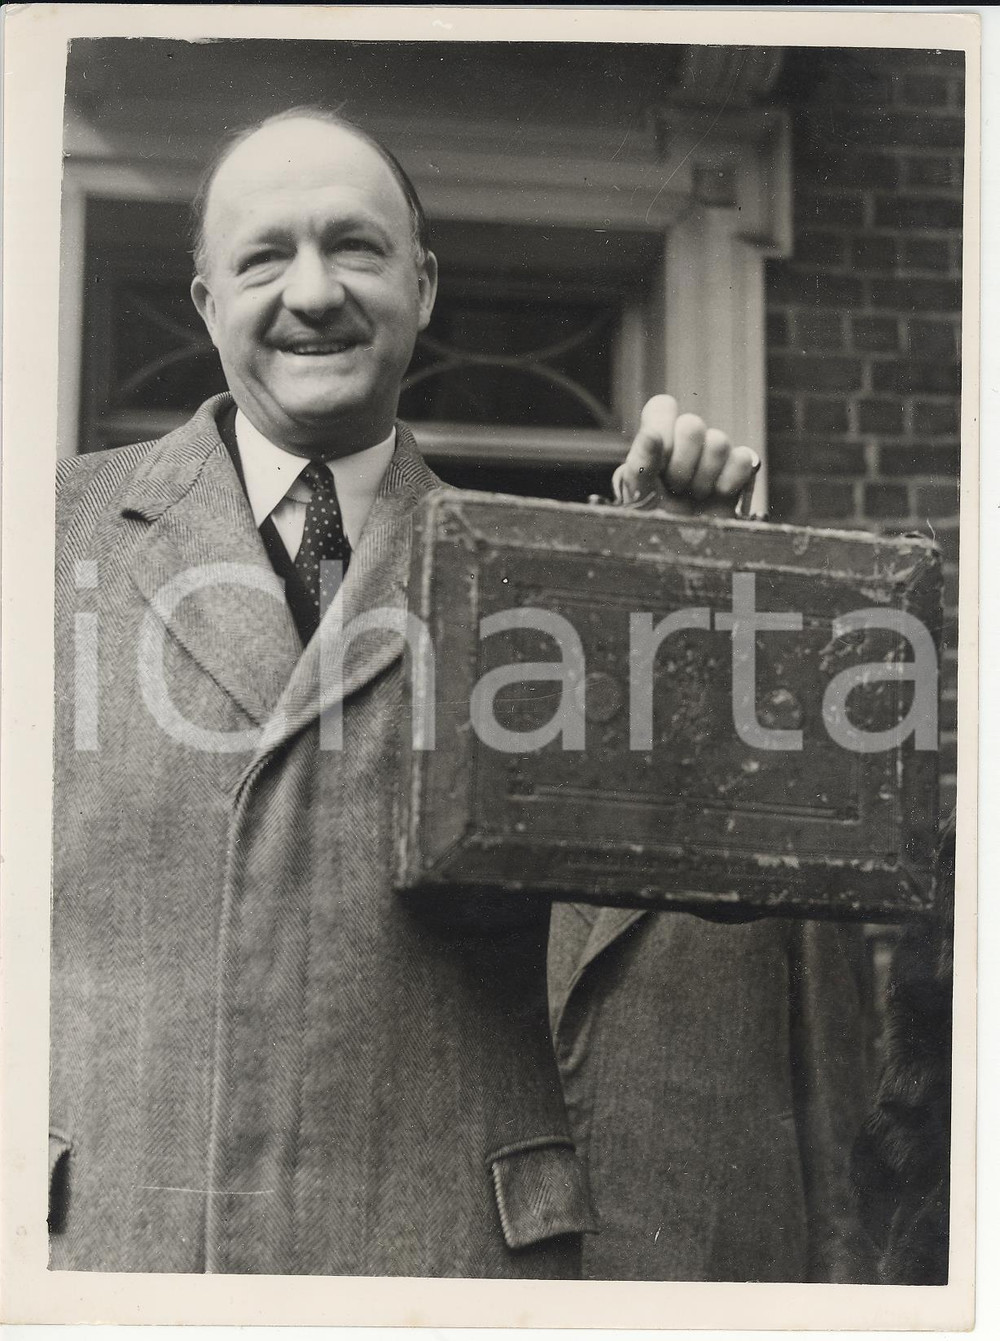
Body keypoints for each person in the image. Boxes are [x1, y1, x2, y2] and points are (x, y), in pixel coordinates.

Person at [48, 107, 758, 1276]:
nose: (314, 292)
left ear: (421, 285)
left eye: (356, 248)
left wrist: (675, 590)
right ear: (205, 301)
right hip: (110, 1247)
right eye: (265, 255)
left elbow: (707, 875)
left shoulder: (540, 574)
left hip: (437, 1262)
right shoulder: (42, 534)